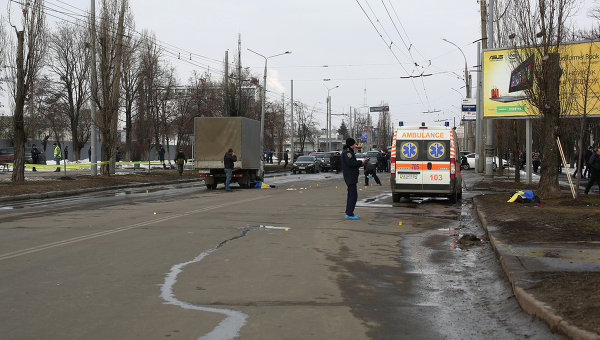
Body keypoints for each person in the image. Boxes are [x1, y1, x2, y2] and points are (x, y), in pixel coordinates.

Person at [341, 138, 365, 220]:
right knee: (353, 196)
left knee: (351, 195)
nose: (355, 145)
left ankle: (349, 212)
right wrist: (360, 163)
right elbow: (351, 163)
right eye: (354, 144)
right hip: (350, 176)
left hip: (351, 176)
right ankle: (349, 214)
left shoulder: (348, 151)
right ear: (351, 144)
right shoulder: (348, 152)